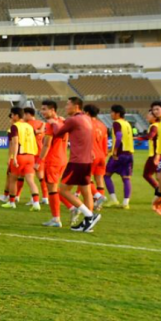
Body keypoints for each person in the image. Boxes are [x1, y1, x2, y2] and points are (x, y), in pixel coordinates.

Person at [50, 97, 101, 232]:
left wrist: (54, 122)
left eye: (68, 104)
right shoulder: (87, 118)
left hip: (76, 161)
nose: (66, 107)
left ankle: (89, 215)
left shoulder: (73, 120)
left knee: (63, 190)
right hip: (87, 161)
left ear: (76, 106)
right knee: (86, 191)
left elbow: (57, 133)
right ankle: (87, 223)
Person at [37, 100, 71, 227]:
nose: (42, 112)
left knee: (52, 190)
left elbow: (46, 145)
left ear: (52, 110)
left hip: (52, 160)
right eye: (42, 109)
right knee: (56, 189)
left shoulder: (50, 124)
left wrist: (38, 161)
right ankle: (72, 208)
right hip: (62, 159)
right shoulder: (62, 121)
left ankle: (56, 218)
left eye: (44, 109)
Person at [2, 107, 41, 210]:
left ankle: (11, 202)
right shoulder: (29, 126)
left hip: (20, 156)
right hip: (31, 156)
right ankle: (36, 203)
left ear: (16, 115)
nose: (11, 117)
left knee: (13, 180)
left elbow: (15, 143)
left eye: (12, 115)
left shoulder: (15, 126)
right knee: (31, 180)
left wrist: (14, 157)